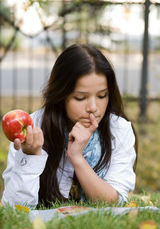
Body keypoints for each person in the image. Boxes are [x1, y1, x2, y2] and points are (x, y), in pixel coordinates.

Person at [1, 44, 138, 208]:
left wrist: (77, 158)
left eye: (102, 95)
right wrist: (30, 156)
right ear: (61, 95)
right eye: (80, 97)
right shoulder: (34, 129)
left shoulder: (118, 130)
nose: (93, 107)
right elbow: (15, 209)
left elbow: (112, 204)